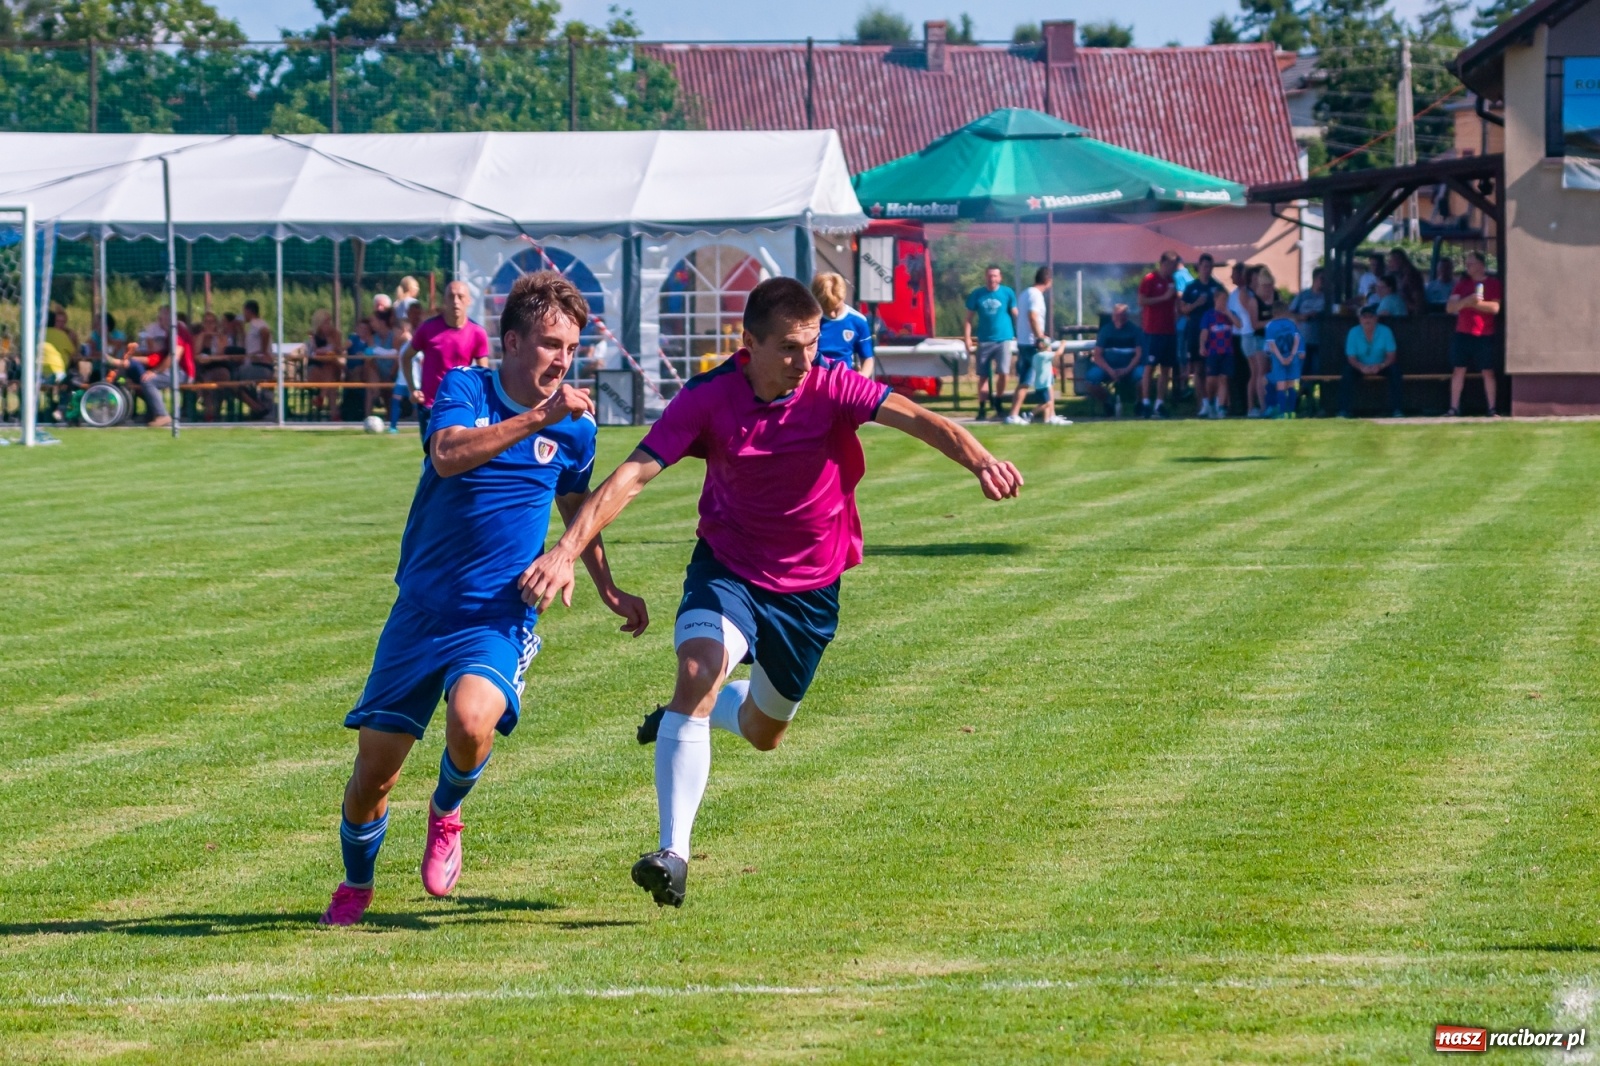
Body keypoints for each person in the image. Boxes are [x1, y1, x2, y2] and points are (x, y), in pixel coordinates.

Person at [517, 277, 1023, 910]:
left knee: (763, 732)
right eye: (789, 348)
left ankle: (692, 716)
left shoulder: (832, 384)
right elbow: (631, 478)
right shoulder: (707, 398)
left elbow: (920, 419)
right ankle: (672, 852)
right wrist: (566, 549)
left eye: (811, 345)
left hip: (811, 591)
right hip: (728, 567)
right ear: (747, 343)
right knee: (697, 669)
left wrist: (980, 460)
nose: (805, 361)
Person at [319, 272, 648, 927]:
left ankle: (447, 811)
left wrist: (606, 583)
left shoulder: (575, 429)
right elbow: (445, 455)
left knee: (471, 723)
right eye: (551, 344)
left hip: (498, 614)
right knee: (372, 779)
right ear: (513, 341)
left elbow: (578, 505)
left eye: (572, 349)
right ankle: (357, 886)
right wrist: (535, 420)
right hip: (420, 611)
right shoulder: (467, 388)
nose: (562, 360)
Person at [399, 280, 490, 449]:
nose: (456, 301)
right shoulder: (428, 329)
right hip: (431, 406)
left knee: (459, 458)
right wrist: (413, 390)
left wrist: (481, 403)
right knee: (434, 458)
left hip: (462, 406)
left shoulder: (477, 333)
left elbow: (483, 373)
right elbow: (406, 357)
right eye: (451, 296)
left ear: (468, 301)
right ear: (445, 301)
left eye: (460, 297)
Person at [1005, 266, 1070, 426]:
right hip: (1033, 344)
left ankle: (1043, 415)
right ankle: (1036, 416)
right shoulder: (1036, 295)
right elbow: (1032, 316)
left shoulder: (1025, 293)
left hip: (1024, 342)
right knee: (1039, 379)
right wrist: (1041, 338)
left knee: (1034, 379)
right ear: (1048, 280)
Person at [1445, 250, 1501, 417]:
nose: (1467, 266)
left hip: (1484, 334)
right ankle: (1453, 408)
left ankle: (1492, 409)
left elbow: (1495, 308)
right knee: (1458, 370)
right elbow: (1450, 307)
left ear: (1481, 265)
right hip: (1462, 333)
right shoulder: (1461, 284)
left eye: (1471, 263)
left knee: (1488, 371)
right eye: (1467, 263)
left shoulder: (1493, 284)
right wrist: (1467, 301)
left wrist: (1476, 304)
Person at [963, 266, 1018, 419]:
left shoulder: (1007, 293)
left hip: (1004, 338)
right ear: (985, 277)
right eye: (989, 276)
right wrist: (967, 338)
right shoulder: (977, 294)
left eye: (995, 276)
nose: (992, 279)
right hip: (985, 340)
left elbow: (1015, 314)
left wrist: (1025, 332)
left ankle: (998, 402)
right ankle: (982, 408)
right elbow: (968, 319)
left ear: (1000, 278)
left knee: (1004, 372)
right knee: (983, 376)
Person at [1179, 254, 1226, 416]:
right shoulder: (1191, 287)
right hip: (1194, 331)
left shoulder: (1218, 287)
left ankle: (1215, 403)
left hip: (1215, 335)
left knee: (1213, 370)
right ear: (1199, 267)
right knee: (1198, 369)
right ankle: (1203, 404)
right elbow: (1183, 309)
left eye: (1210, 267)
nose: (1207, 270)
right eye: (1204, 266)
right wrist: (1196, 304)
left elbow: (1224, 307)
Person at [1136, 251, 1181, 418]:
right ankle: (1146, 402)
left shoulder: (1171, 281)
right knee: (1149, 367)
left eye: (1175, 265)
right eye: (1170, 264)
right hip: (1153, 330)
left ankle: (1159, 403)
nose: (1173, 268)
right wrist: (1163, 297)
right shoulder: (1149, 279)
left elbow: (1174, 302)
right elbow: (1141, 301)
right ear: (1162, 263)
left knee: (1166, 368)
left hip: (1169, 330)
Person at [1340, 305, 1404, 419]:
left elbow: (1392, 356)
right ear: (1360, 320)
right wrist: (1361, 367)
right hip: (1360, 366)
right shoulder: (1353, 332)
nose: (1367, 320)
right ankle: (1345, 410)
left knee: (1395, 371)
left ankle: (1397, 409)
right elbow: (1351, 358)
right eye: (1364, 317)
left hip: (1381, 365)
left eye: (1370, 317)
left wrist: (1381, 365)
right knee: (1347, 372)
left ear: (1376, 319)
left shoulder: (1385, 331)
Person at [1084, 303, 1144, 417]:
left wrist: (1127, 370)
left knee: (1143, 377)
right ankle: (1108, 402)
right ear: (1112, 316)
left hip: (1130, 368)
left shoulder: (1135, 330)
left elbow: (1139, 355)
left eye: (1122, 315)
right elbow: (1098, 356)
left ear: (1127, 316)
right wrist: (1110, 370)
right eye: (1117, 315)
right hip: (1108, 368)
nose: (1119, 318)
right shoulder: (1105, 331)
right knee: (1090, 380)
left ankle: (1139, 403)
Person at [810, 273, 875, 376]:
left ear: (843, 297)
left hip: (843, 382)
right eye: (826, 308)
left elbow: (867, 359)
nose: (831, 313)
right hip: (813, 382)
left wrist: (862, 378)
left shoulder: (858, 321)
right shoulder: (808, 320)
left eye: (835, 308)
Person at [1231, 265, 1265, 418]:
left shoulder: (1256, 293)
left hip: (1257, 335)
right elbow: (1253, 316)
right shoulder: (1245, 293)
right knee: (1255, 372)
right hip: (1248, 335)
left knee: (1260, 372)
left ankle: (1259, 404)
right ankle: (1251, 407)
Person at [1199, 288, 1237, 419]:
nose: (1224, 302)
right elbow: (1204, 332)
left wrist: (1228, 313)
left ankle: (1221, 407)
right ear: (1215, 299)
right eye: (1222, 299)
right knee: (1211, 380)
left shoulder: (1229, 314)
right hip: (1213, 351)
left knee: (1224, 379)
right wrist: (1202, 345)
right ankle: (1210, 401)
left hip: (1227, 351)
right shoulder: (1208, 315)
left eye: (1226, 300)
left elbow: (1239, 324)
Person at [1263, 300, 1303, 417]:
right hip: (1292, 357)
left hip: (1278, 359)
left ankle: (1282, 413)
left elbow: (1272, 345)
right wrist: (1292, 355)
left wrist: (1281, 359)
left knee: (1280, 385)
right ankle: (1292, 412)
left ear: (1274, 313)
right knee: (1291, 384)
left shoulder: (1270, 326)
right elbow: (1297, 340)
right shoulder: (1292, 324)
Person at [1289, 267, 1326, 372]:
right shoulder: (1303, 295)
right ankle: (1303, 389)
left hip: (1320, 339)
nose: (1323, 282)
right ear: (1314, 279)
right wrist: (1303, 317)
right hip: (1303, 338)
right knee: (1303, 370)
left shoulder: (1327, 297)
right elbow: (1290, 313)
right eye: (1321, 278)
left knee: (1317, 369)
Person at [1387, 248, 1426, 316]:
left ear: (1399, 260)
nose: (1389, 264)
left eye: (1391, 261)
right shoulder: (1396, 275)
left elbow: (1418, 305)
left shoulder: (1412, 276)